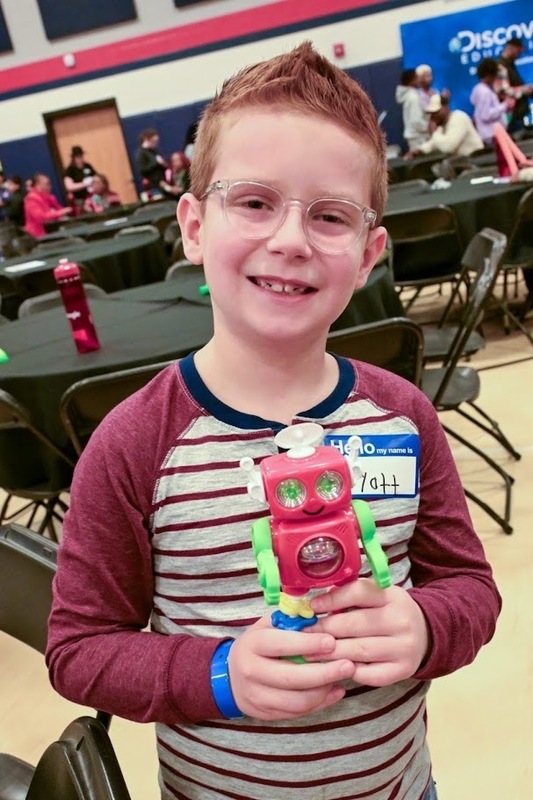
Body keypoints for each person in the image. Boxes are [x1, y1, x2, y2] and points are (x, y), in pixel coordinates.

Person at [47, 42, 501, 800]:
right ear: (193, 225)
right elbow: (80, 650)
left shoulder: (402, 416)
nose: (290, 239)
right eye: (254, 201)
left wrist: (424, 626)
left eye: (330, 215)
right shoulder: (135, 445)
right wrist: (218, 674)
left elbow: (468, 588)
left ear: (367, 255)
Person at [405, 94, 484, 159]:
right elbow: (433, 143)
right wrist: (419, 150)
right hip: (463, 162)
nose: (433, 116)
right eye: (431, 113)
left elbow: (448, 148)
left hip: (475, 160)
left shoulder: (458, 118)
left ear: (446, 107)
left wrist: (434, 132)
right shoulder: (441, 126)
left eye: (436, 112)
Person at [470, 58, 513, 147]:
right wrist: (505, 105)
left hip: (490, 135)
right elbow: (486, 115)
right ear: (490, 75)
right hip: (492, 136)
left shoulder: (478, 89)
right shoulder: (485, 92)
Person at [496, 37, 533, 135]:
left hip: (519, 114)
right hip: (511, 117)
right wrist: (524, 90)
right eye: (518, 52)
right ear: (511, 48)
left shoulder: (510, 65)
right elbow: (503, 91)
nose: (519, 55)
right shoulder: (500, 67)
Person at [136, 128, 181, 199]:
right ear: (147, 140)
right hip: (155, 182)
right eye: (153, 141)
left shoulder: (154, 151)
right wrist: (156, 163)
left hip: (164, 179)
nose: (155, 144)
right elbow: (143, 170)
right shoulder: (141, 153)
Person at [23, 173, 71, 238]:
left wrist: (61, 212)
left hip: (50, 231)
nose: (50, 187)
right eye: (47, 184)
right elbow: (41, 217)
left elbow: (59, 209)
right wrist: (59, 213)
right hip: (38, 236)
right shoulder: (31, 199)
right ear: (38, 185)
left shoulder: (48, 196)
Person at [395, 68, 429, 150]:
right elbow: (416, 121)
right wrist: (429, 127)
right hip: (419, 139)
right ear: (412, 80)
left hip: (415, 138)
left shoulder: (410, 95)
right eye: (417, 78)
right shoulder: (413, 97)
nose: (419, 80)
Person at [63, 145, 97, 210]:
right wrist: (85, 184)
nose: (80, 158)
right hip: (80, 199)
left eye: (81, 156)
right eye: (77, 157)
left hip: (93, 196)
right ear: (73, 158)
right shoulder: (70, 170)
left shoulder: (87, 166)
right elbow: (69, 187)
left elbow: (96, 177)